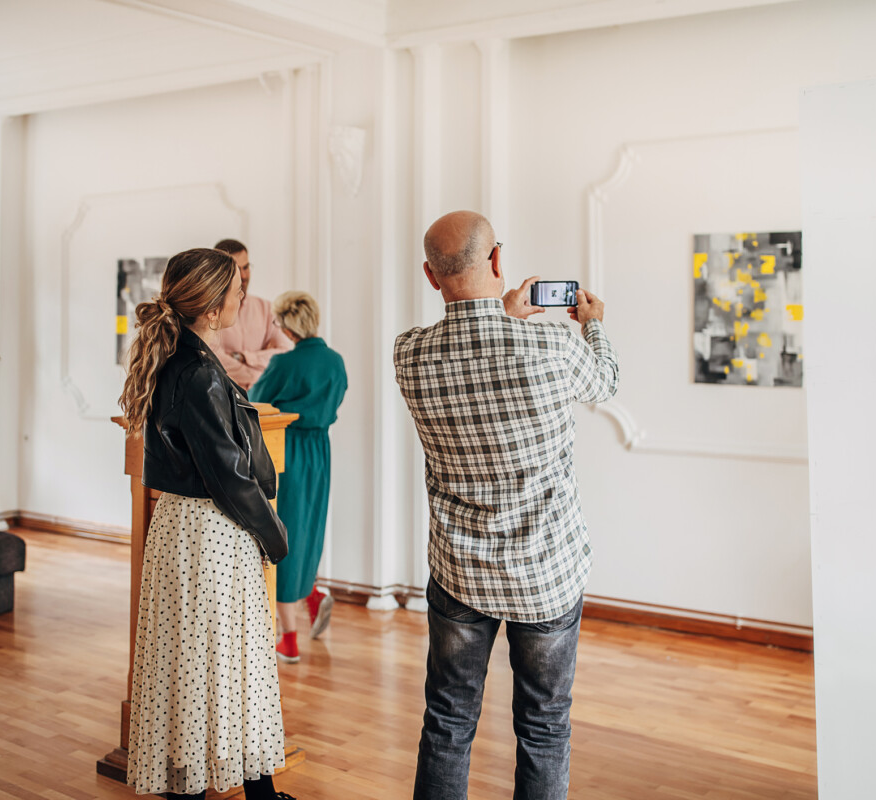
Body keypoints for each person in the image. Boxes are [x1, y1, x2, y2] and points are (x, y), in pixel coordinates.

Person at [394, 211, 619, 800]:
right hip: (545, 572)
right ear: (497, 261)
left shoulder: (409, 354)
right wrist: (592, 325)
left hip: (460, 572)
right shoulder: (551, 343)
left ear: (430, 275)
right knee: (544, 728)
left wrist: (501, 317)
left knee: (447, 721)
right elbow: (605, 382)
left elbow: (476, 355)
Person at [118, 247, 296, 800]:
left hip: (185, 530)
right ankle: (195, 790)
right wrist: (274, 536)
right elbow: (229, 477)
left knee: (207, 664)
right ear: (214, 308)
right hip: (211, 531)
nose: (244, 300)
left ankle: (248, 791)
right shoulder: (198, 373)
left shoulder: (181, 359)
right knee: (211, 668)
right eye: (238, 294)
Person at [249, 291, 347, 663]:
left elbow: (255, 401)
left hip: (287, 449)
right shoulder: (336, 362)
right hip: (320, 450)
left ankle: (287, 637)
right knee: (309, 526)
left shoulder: (282, 364)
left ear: (288, 324)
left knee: (282, 530)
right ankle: (313, 594)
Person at [210, 239, 295, 390]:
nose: (243, 276)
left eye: (246, 267)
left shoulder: (267, 309)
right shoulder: (209, 312)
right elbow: (215, 361)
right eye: (236, 269)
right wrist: (262, 375)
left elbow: (286, 354)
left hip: (262, 404)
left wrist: (244, 357)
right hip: (222, 398)